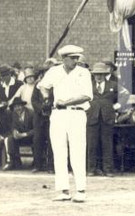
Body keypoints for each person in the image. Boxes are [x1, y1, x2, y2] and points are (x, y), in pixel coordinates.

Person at [37, 44, 93, 203]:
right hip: (57, 115)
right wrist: (47, 97)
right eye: (72, 58)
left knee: (78, 151)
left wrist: (65, 101)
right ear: (64, 58)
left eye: (77, 57)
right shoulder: (54, 71)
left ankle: (81, 190)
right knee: (59, 151)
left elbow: (87, 95)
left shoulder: (83, 72)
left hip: (76, 113)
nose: (76, 60)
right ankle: (63, 190)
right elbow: (42, 86)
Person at [87, 61, 118, 177]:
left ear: (105, 74)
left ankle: (108, 169)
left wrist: (114, 107)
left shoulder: (113, 85)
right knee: (91, 144)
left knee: (107, 144)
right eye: (96, 74)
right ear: (93, 75)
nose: (98, 77)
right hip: (91, 118)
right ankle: (91, 169)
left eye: (101, 74)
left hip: (107, 118)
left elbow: (124, 99)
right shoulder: (88, 85)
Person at [5, 97, 34, 171]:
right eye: (15, 107)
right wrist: (15, 132)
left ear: (23, 106)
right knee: (10, 138)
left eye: (19, 106)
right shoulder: (13, 114)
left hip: (30, 137)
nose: (17, 109)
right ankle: (14, 161)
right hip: (20, 137)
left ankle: (36, 162)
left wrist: (24, 134)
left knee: (36, 138)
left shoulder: (31, 113)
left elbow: (36, 129)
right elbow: (13, 126)